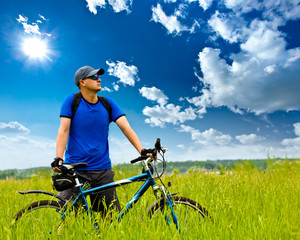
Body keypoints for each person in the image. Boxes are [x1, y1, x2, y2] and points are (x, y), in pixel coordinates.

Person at [51, 65, 145, 214]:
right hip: (75, 168)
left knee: (110, 219)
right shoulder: (72, 101)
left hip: (102, 170)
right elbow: (63, 130)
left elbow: (126, 128)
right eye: (94, 77)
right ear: (82, 82)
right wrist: (59, 157)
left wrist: (142, 150)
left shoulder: (108, 104)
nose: (99, 79)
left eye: (99, 76)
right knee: (68, 215)